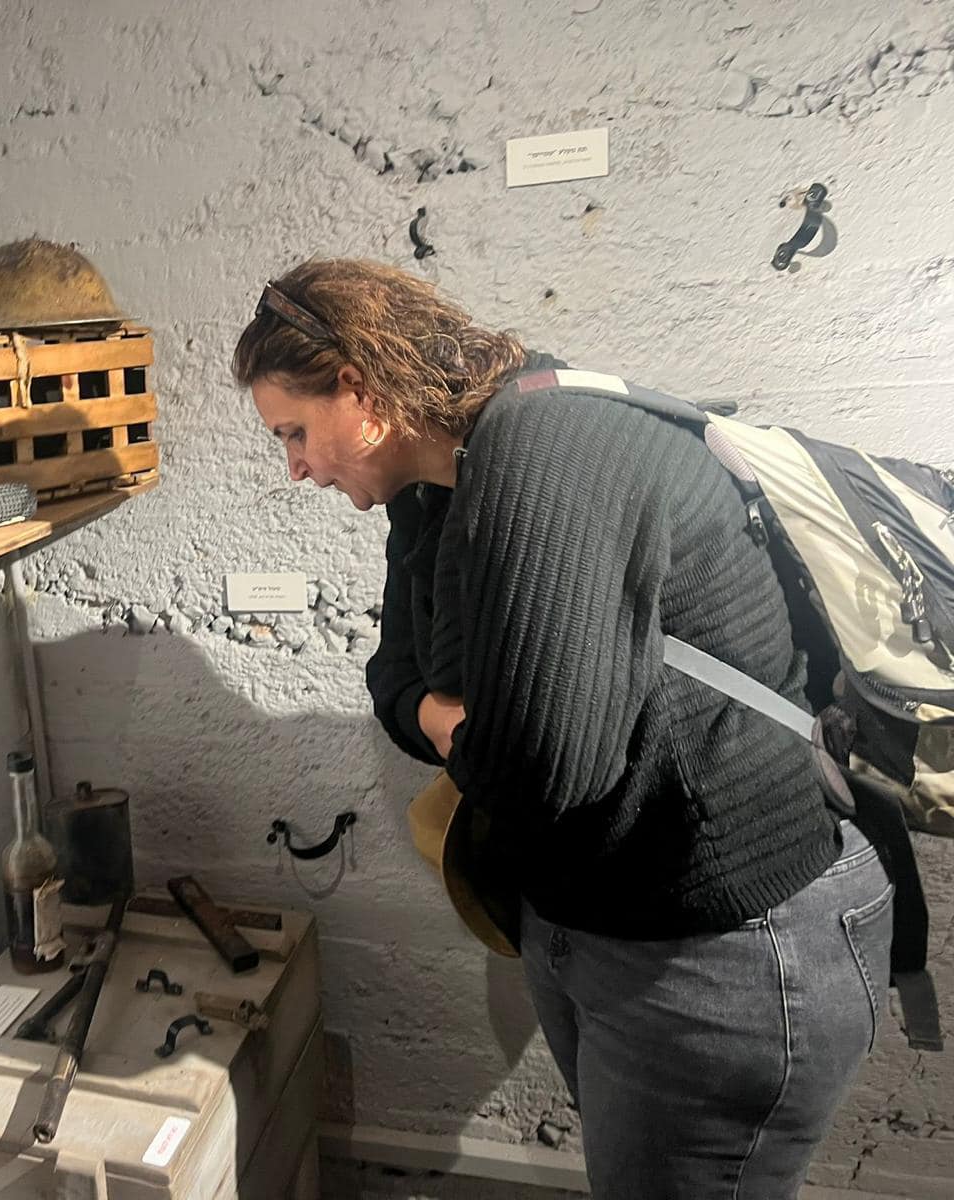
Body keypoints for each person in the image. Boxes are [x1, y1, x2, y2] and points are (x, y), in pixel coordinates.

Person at [232, 257, 893, 1199]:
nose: (295, 467)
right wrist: (458, 721)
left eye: (294, 432)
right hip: (606, 926)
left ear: (359, 390)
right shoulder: (438, 481)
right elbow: (396, 684)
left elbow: (537, 779)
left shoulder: (543, 448)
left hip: (726, 950)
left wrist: (474, 731)